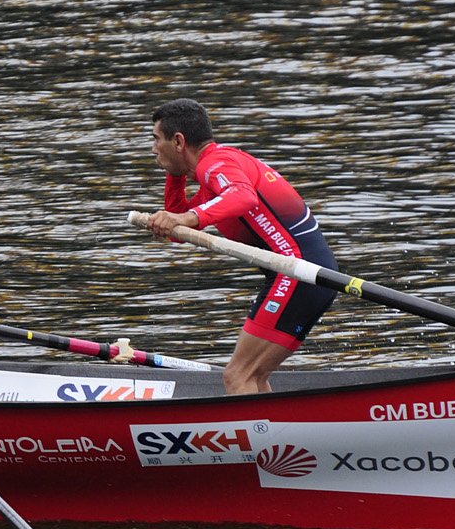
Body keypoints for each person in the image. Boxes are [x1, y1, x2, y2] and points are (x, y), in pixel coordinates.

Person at [143, 98, 338, 394]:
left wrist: (186, 216)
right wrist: (175, 177)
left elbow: (243, 197)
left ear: (178, 141)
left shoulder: (216, 164)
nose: (153, 148)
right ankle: (274, 437)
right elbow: (177, 232)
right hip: (310, 275)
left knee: (237, 376)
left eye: (156, 139)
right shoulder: (219, 168)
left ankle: (258, 440)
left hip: (296, 274)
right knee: (253, 377)